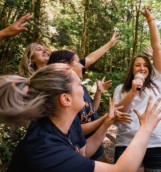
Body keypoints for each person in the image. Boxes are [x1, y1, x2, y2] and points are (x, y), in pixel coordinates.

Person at [0, 63, 161, 171]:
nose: (84, 89)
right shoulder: (44, 149)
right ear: (66, 99)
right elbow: (121, 170)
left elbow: (85, 152)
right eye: (79, 84)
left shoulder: (66, 123)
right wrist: (146, 128)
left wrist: (106, 123)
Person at [113, 7, 161, 172]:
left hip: (159, 144)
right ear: (132, 69)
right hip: (128, 143)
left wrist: (150, 20)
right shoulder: (121, 88)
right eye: (138, 65)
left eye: (145, 65)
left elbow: (157, 48)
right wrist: (133, 92)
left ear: (150, 69)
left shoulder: (158, 82)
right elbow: (119, 114)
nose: (142, 68)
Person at [47, 31, 120, 162]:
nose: (82, 65)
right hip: (82, 147)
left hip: (90, 145)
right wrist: (105, 120)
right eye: (77, 60)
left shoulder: (76, 86)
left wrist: (98, 93)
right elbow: (76, 128)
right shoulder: (59, 93)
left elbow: (90, 110)